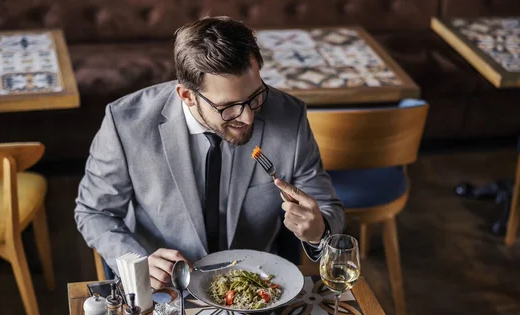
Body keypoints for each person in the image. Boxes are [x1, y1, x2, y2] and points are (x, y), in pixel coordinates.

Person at [75, 16, 344, 289]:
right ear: (187, 95)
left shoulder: (290, 115)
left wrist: (318, 229)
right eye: (228, 106)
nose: (249, 118)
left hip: (257, 282)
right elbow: (94, 211)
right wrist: (138, 262)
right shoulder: (125, 123)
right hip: (168, 286)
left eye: (255, 97)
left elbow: (327, 205)